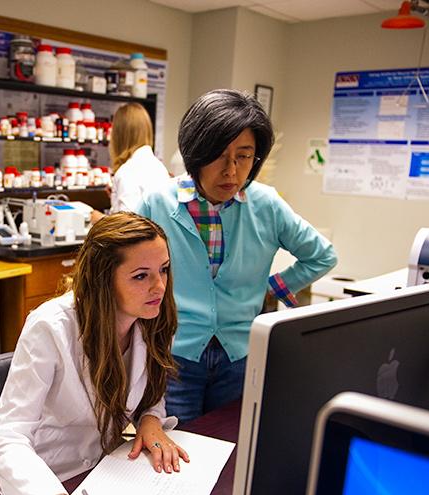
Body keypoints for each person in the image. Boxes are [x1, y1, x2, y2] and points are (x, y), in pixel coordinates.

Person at [0, 212, 189, 495]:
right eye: (141, 275)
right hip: (41, 479)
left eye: (164, 270)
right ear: (103, 280)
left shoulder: (150, 314)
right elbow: (7, 437)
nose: (159, 286)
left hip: (100, 475)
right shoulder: (51, 327)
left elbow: (150, 390)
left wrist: (150, 419)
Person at [138, 89, 338, 423]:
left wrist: (272, 287)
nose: (231, 170)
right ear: (195, 153)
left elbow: (321, 255)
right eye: (219, 155)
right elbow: (124, 266)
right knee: (176, 448)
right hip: (175, 355)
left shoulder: (267, 205)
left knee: (229, 444)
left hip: (240, 356)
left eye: (244, 156)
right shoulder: (157, 203)